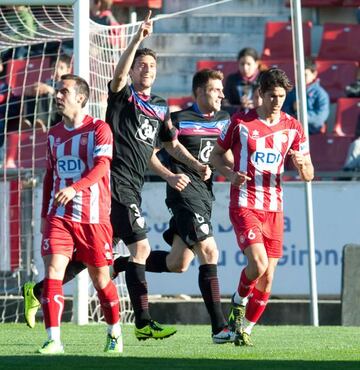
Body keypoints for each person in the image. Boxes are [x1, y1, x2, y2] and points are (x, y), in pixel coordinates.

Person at [23, 11, 208, 341]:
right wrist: (137, 39)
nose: (146, 70)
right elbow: (118, 76)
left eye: (151, 66)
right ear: (134, 70)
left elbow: (167, 145)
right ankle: (142, 322)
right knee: (140, 248)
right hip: (115, 182)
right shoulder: (123, 97)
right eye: (141, 65)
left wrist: (193, 166)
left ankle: (39, 291)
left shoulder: (162, 107)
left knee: (93, 260)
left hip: (131, 187)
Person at [110, 69, 236, 344]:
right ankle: (219, 328)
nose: (222, 94)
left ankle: (120, 263)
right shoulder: (177, 120)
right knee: (209, 250)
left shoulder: (225, 120)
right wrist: (170, 175)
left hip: (205, 196)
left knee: (177, 263)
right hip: (183, 195)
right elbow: (150, 154)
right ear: (200, 92)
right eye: (216, 89)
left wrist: (233, 172)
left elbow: (222, 158)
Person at [210, 68, 314, 346]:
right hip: (245, 202)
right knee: (258, 262)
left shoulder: (293, 127)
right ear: (261, 94)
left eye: (282, 96)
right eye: (272, 96)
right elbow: (216, 156)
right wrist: (231, 175)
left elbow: (309, 175)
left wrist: (302, 165)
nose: (277, 101)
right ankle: (238, 299)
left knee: (267, 279)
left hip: (275, 208)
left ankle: (244, 329)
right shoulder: (241, 122)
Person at [34, 73, 122, 354]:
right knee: (53, 273)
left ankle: (114, 332)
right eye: (57, 91)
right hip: (59, 215)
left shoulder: (99, 129)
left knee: (101, 280)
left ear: (81, 98)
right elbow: (50, 175)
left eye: (64, 91)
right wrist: (43, 214)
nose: (58, 96)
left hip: (93, 217)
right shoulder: (54, 134)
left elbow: (102, 167)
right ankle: (54, 340)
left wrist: (75, 188)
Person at [23, 54, 72, 131]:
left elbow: (67, 100)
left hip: (57, 115)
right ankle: (29, 121)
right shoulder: (49, 82)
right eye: (54, 67)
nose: (57, 71)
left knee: (46, 92)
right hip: (45, 110)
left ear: (68, 70)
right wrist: (33, 89)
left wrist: (51, 91)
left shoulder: (69, 84)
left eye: (61, 68)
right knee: (37, 91)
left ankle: (41, 121)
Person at [283, 58, 330, 135]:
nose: (301, 77)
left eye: (305, 74)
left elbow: (321, 117)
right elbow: (283, 112)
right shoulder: (292, 92)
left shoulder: (321, 94)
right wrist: (292, 108)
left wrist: (302, 114)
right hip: (292, 131)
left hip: (312, 132)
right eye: (299, 74)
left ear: (314, 74)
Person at [223, 47, 263, 114]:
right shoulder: (232, 80)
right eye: (242, 64)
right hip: (236, 117)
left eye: (248, 64)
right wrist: (240, 107)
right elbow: (225, 105)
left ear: (256, 64)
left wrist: (255, 106)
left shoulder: (263, 79)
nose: (245, 68)